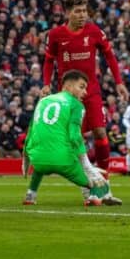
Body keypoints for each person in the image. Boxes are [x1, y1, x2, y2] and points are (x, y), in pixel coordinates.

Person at [42, 0, 128, 203]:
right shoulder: (55, 35)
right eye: (77, 11)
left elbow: (110, 56)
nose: (82, 15)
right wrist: (45, 84)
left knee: (100, 132)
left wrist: (118, 81)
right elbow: (48, 60)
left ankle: (104, 187)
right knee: (75, 141)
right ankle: (87, 186)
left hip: (91, 91)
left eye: (84, 11)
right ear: (67, 12)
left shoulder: (94, 31)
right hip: (69, 97)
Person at [22, 70, 117, 206]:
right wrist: (85, 163)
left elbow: (31, 131)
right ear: (67, 86)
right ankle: (93, 196)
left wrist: (26, 159)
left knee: (40, 166)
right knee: (93, 180)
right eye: (81, 87)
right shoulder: (76, 105)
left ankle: (30, 195)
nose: (85, 92)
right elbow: (74, 136)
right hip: (62, 161)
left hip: (36, 159)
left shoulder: (43, 101)